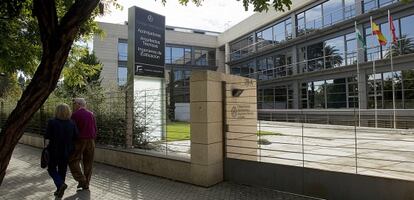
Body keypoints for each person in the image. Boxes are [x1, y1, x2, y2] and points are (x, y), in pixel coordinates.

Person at [45, 103, 78, 198]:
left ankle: (60, 185)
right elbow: (76, 136)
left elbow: (47, 137)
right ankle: (59, 189)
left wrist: (45, 148)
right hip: (67, 150)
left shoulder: (52, 122)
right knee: (62, 170)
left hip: (54, 150)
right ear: (68, 111)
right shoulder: (72, 122)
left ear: (57, 111)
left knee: (51, 169)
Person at [69, 98, 97, 190]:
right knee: (88, 162)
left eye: (74, 104)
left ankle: (82, 180)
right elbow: (95, 128)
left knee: (73, 160)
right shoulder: (91, 114)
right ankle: (86, 183)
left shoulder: (75, 115)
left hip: (79, 141)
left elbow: (72, 129)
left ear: (78, 104)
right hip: (91, 140)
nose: (73, 105)